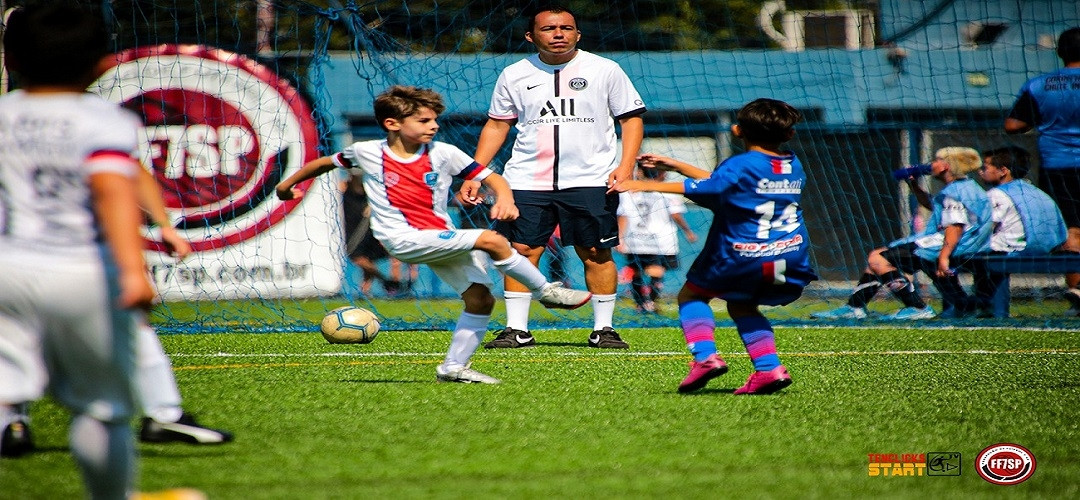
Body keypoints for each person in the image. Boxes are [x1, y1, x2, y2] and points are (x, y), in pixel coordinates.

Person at [275, 85, 592, 384]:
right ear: (392, 123)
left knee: (480, 298)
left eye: (435, 119)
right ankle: (547, 292)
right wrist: (287, 185)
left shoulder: (444, 153)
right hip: (402, 238)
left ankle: (454, 368)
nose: (434, 125)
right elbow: (323, 164)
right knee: (492, 240)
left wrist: (505, 198)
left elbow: (493, 179)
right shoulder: (367, 152)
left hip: (438, 238)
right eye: (424, 120)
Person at [0, 3, 155, 497]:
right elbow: (113, 192)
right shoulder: (104, 119)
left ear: (12, 59)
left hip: (8, 267)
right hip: (80, 270)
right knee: (102, 408)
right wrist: (134, 271)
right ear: (103, 64)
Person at [7, 167, 234, 453]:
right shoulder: (95, 124)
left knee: (17, 333)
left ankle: (12, 423)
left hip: (12, 254)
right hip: (73, 251)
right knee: (130, 320)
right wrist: (161, 229)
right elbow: (119, 179)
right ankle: (164, 413)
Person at [462, 4, 646, 349]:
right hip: (527, 179)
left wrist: (625, 165)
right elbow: (498, 124)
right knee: (521, 249)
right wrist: (476, 172)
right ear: (532, 36)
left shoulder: (605, 69)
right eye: (549, 29)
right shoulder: (514, 74)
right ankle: (517, 330)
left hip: (592, 178)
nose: (558, 34)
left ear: (578, 33)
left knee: (594, 252)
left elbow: (631, 119)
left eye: (566, 27)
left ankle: (603, 330)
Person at [614, 98, 816, 395]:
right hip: (789, 253)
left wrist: (640, 184)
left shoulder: (740, 164)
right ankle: (769, 368)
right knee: (743, 305)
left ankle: (705, 358)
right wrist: (676, 165)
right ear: (789, 134)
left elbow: (714, 186)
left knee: (692, 295)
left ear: (737, 130)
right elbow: (727, 183)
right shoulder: (791, 164)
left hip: (742, 253)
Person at [812, 147, 992, 321]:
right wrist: (913, 184)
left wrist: (944, 257)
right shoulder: (966, 187)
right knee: (877, 255)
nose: (932, 164)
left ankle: (917, 307)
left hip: (955, 244)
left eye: (937, 160)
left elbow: (955, 226)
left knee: (878, 259)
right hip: (964, 243)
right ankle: (855, 306)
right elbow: (934, 206)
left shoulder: (954, 192)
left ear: (946, 165)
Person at [938, 146, 1068, 316]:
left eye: (985, 167)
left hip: (1016, 250)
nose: (980, 172)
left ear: (1003, 171)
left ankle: (960, 306)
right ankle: (984, 305)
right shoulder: (1038, 192)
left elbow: (982, 227)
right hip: (1045, 250)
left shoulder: (997, 194)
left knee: (945, 252)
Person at [1005, 27, 1080, 315]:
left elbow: (1013, 125)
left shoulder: (1039, 85)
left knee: (1071, 230)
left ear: (1060, 52)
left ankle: (1076, 290)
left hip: (1057, 164)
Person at [616, 166, 697, 313]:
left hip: (635, 239)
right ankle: (650, 302)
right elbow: (676, 214)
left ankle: (640, 304)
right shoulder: (669, 191)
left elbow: (623, 214)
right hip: (661, 239)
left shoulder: (629, 191)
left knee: (636, 271)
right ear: (662, 173)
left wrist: (620, 237)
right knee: (657, 270)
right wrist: (688, 231)